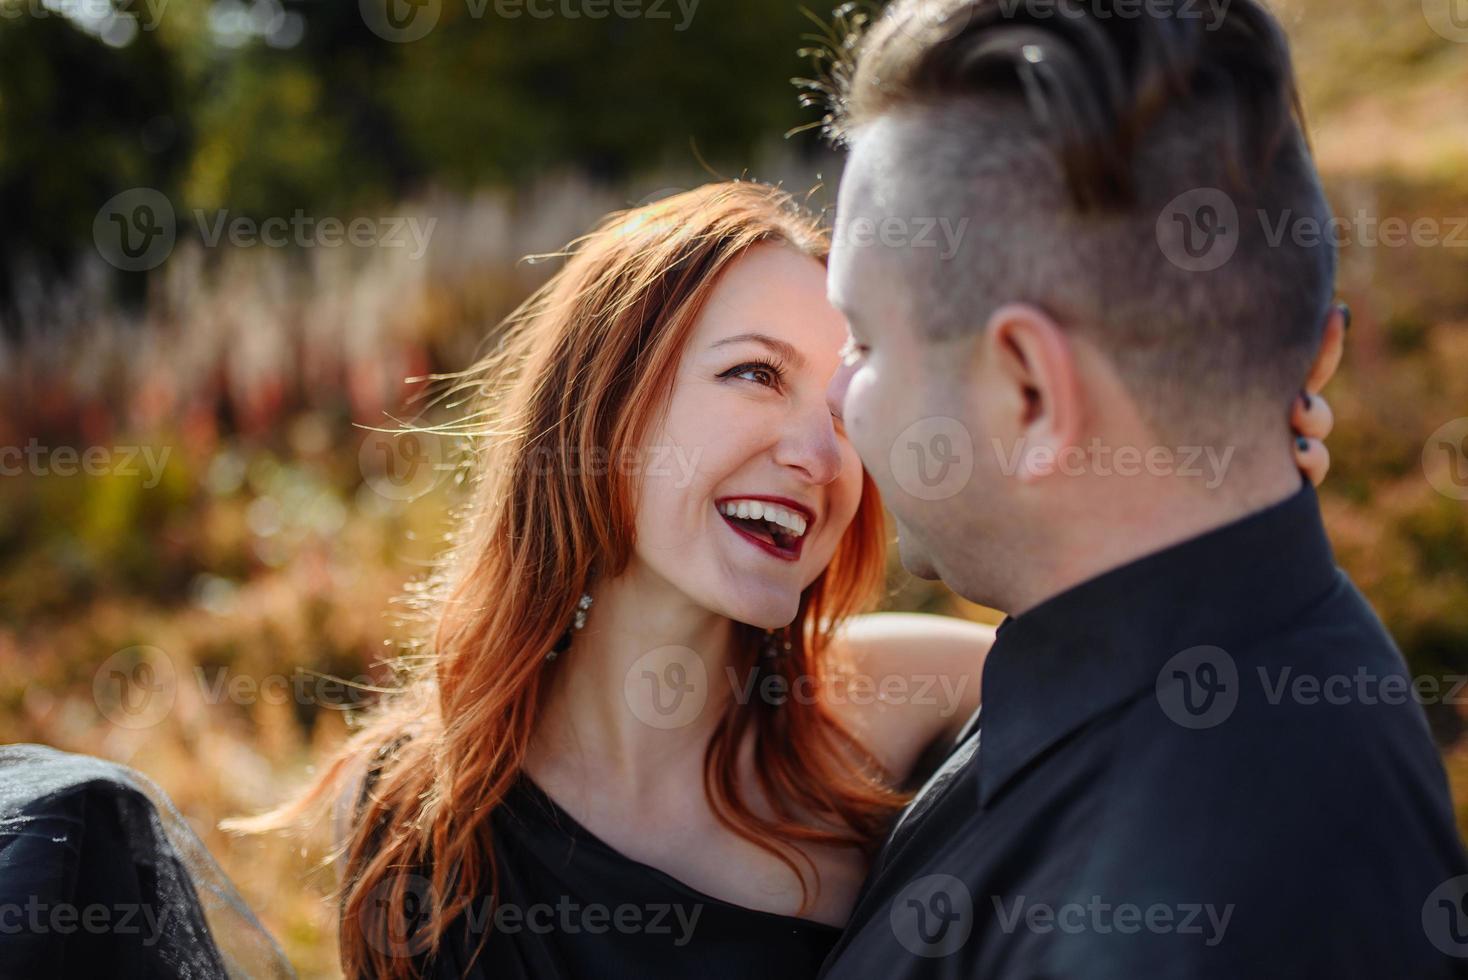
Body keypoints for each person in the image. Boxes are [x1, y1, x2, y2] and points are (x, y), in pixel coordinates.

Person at [225, 181, 1333, 978]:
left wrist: (1224, 477)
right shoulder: (423, 816)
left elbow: (1158, 662)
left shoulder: (887, 704)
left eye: (846, 410)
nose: (819, 455)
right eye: (755, 373)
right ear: (605, 400)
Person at [814, 1, 1468, 978]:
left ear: (1030, 391)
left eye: (863, 342)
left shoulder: (1160, 925)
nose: (834, 399)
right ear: (1313, 353)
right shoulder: (1202, 662)